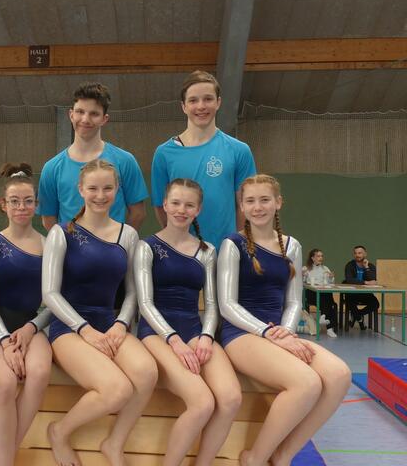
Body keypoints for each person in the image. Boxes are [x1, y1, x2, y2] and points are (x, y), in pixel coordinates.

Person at [217, 174, 351, 466]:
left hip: (279, 333)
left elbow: (293, 301)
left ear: (278, 203)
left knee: (340, 375)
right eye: (250, 201)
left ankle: (284, 455)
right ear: (242, 206)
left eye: (265, 200)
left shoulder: (291, 246)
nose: (258, 207)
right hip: (241, 332)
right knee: (306, 383)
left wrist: (286, 332)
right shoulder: (232, 244)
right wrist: (268, 333)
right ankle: (255, 458)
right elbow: (227, 304)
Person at [42, 159, 158, 466]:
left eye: (107, 188)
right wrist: (84, 330)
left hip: (109, 322)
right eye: (93, 188)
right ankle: (59, 431)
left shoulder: (127, 235)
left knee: (147, 372)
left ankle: (114, 443)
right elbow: (50, 294)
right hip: (69, 327)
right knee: (116, 390)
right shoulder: (62, 233)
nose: (100, 195)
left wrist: (121, 324)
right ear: (80, 189)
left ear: (117, 189)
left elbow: (132, 291)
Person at [135, 178, 241, 466]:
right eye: (176, 203)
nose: (181, 210)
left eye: (189, 205)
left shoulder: (206, 250)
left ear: (198, 210)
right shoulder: (147, 247)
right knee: (202, 402)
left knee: (231, 398)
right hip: (156, 331)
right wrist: (173, 340)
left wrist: (206, 336)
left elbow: (212, 303)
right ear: (165, 205)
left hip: (194, 329)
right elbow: (145, 304)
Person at [0, 163, 52, 466]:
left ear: (36, 204)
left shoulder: (47, 245)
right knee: (4, 382)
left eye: (28, 201)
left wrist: (31, 328)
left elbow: (53, 301)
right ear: (3, 204)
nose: (21, 207)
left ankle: (5, 457)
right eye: (14, 201)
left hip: (29, 325)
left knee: (39, 373)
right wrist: (5, 341)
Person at [151, 70, 257, 249]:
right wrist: (179, 243)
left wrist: (235, 246)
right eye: (193, 100)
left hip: (225, 253)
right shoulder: (164, 154)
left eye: (208, 99)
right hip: (182, 253)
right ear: (183, 106)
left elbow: (245, 205)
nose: (201, 106)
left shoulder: (239, 150)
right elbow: (160, 207)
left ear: (218, 102)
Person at [38, 82, 148, 231]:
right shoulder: (51, 168)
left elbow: (138, 213)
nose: (85, 119)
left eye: (94, 114)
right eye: (80, 112)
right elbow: (48, 218)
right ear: (71, 115)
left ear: (104, 119)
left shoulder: (125, 161)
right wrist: (67, 242)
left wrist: (120, 241)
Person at [302, 249, 338, 337]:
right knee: (328, 302)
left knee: (328, 299)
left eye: (321, 256)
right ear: (312, 258)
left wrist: (331, 277)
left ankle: (325, 320)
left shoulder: (325, 268)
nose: (320, 258)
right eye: (318, 256)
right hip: (312, 293)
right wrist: (303, 276)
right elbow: (302, 283)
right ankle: (328, 327)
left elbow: (330, 283)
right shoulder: (306, 268)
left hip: (323, 293)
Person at [343, 245, 379, 330]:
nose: (357, 255)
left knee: (375, 304)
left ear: (365, 254)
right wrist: (365, 282)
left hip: (365, 293)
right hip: (352, 293)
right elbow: (349, 280)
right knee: (349, 300)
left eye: (360, 253)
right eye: (355, 253)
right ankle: (359, 318)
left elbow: (373, 279)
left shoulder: (370, 266)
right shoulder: (350, 265)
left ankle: (357, 315)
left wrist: (366, 267)